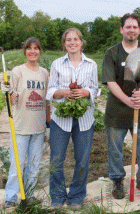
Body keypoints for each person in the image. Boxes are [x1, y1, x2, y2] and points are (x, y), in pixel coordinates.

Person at [102, 13, 140, 199]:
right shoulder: (112, 52)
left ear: (139, 30)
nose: (131, 30)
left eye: (135, 27)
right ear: (121, 29)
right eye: (128, 27)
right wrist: (127, 100)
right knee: (115, 149)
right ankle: (118, 180)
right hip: (117, 110)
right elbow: (110, 81)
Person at [46, 28, 98, 208]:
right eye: (68, 40)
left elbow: (95, 89)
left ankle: (76, 195)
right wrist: (64, 93)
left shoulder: (91, 64)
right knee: (56, 159)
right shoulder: (57, 64)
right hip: (60, 119)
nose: (72, 42)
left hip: (84, 120)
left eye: (75, 39)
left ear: (81, 42)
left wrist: (85, 92)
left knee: (82, 160)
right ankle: (58, 196)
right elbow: (51, 91)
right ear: (64, 43)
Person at [1, 37, 51, 208]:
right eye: (29, 48)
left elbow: (47, 100)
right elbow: (12, 99)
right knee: (17, 165)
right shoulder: (17, 71)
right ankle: (11, 196)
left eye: (36, 48)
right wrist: (7, 91)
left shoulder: (44, 73)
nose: (33, 51)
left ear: (40, 51)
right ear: (25, 51)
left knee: (34, 165)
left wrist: (48, 122)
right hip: (21, 127)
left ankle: (28, 195)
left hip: (38, 127)